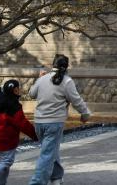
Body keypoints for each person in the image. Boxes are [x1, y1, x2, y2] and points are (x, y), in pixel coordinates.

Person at [27, 55, 91, 185]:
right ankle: (36, 182)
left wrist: (38, 79)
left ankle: (56, 177)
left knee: (50, 150)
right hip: (54, 123)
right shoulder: (67, 81)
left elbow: (31, 94)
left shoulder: (42, 79)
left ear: (53, 65)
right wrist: (85, 113)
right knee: (47, 154)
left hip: (39, 122)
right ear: (66, 67)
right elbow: (76, 100)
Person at [0, 80, 37, 185]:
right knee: (6, 162)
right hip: (7, 140)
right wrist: (35, 134)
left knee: (2, 165)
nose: (19, 90)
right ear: (15, 90)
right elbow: (23, 124)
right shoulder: (14, 106)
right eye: (18, 88)